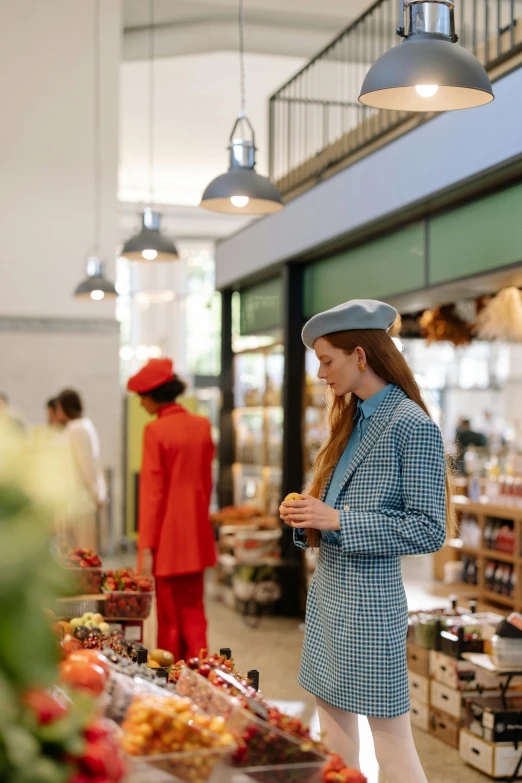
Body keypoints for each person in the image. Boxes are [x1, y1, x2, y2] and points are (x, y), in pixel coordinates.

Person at [280, 299, 454, 783]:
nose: (320, 374)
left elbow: (428, 528)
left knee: (393, 745)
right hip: (329, 599)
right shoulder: (351, 420)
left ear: (360, 355)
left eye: (327, 360)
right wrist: (308, 516)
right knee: (333, 738)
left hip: (371, 607)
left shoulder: (412, 426)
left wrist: (337, 518)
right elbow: (336, 515)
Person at [127, 358, 216, 661]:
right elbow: (206, 484)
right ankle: (202, 674)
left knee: (169, 621)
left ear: (154, 396)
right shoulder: (202, 426)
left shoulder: (155, 431)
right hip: (196, 535)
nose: (140, 404)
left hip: (166, 539)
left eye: (142, 397)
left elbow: (153, 495)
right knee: (194, 614)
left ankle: (171, 681)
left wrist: (146, 548)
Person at [54, 389, 106, 551]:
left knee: (84, 555)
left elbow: (87, 465)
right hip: (73, 503)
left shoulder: (78, 429)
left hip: (80, 503)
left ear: (63, 407)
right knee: (75, 557)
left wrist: (96, 495)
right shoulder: (78, 427)